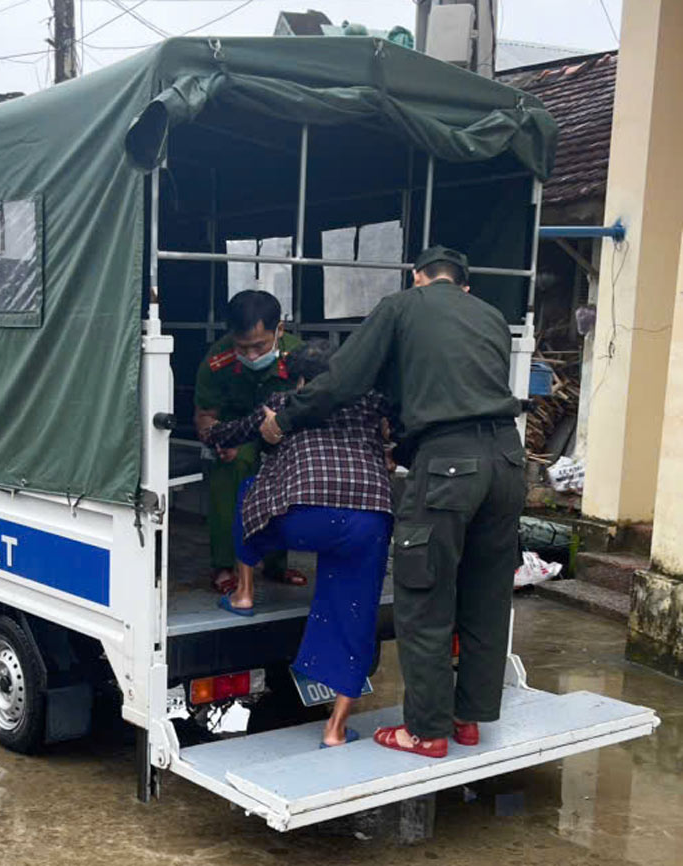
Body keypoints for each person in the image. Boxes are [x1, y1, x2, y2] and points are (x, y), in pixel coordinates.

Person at [260, 247, 526, 759]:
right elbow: (450, 383)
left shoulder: (403, 305)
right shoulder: (491, 316)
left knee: (424, 595)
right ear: (464, 286)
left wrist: (285, 419)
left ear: (417, 277)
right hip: (508, 462)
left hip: (450, 465)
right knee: (486, 595)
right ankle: (467, 719)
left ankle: (426, 731)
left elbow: (343, 379)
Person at [201, 341, 393, 748]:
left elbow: (233, 432)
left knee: (250, 493)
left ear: (295, 375)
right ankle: (335, 730)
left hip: (305, 516)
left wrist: (208, 432)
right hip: (369, 516)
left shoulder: (281, 400)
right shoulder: (371, 401)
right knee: (354, 615)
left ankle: (244, 594)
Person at [194, 290, 303, 595]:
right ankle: (224, 566)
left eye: (260, 346)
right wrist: (217, 439)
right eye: (243, 348)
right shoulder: (217, 361)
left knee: (285, 480)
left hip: (283, 432)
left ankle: (275, 564)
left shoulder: (298, 356)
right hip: (235, 435)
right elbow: (205, 416)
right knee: (233, 467)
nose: (252, 355)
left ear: (279, 329)